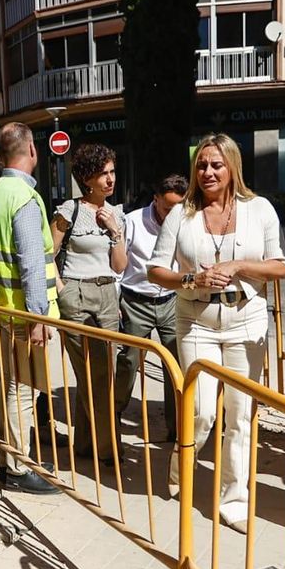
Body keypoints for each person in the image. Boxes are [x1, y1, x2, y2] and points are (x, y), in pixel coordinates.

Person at [146, 134, 285, 533]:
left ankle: (234, 500)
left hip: (245, 318)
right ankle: (181, 469)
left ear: (232, 168)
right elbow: (156, 270)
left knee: (241, 416)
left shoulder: (258, 209)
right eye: (202, 165)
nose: (208, 172)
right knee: (201, 410)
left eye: (216, 165)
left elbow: (280, 267)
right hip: (196, 320)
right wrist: (193, 277)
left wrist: (241, 266)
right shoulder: (182, 214)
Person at [0, 122, 62, 495]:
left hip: (4, 311)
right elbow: (30, 264)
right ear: (32, 149)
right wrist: (39, 316)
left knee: (12, 387)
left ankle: (14, 457)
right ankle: (16, 468)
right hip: (26, 316)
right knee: (22, 391)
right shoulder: (24, 198)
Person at [51, 143, 128, 461]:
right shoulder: (69, 211)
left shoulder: (116, 213)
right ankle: (108, 448)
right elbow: (49, 253)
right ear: (87, 179)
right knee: (90, 373)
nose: (109, 179)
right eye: (102, 174)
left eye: (111, 172)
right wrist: (60, 287)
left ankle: (84, 444)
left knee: (104, 372)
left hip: (108, 294)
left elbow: (120, 265)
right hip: (77, 293)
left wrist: (114, 231)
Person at [113, 174, 188, 442]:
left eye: (177, 209)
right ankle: (115, 414)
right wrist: (117, 299)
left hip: (170, 300)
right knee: (129, 360)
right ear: (155, 199)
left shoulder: (185, 221)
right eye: (167, 208)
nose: (171, 215)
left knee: (176, 362)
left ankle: (178, 427)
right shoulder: (132, 221)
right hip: (136, 300)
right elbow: (119, 266)